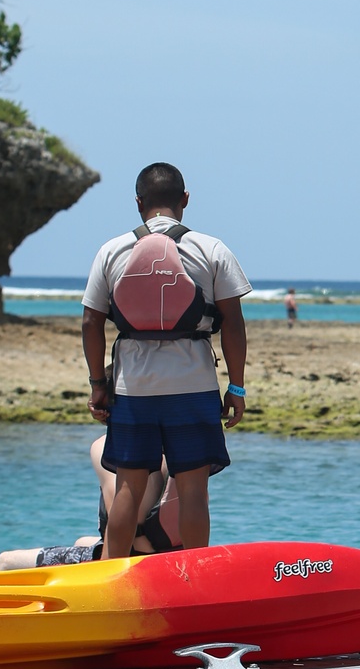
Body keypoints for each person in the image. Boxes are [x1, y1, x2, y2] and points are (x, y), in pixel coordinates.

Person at [82, 162, 250, 558]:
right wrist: (236, 387)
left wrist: (98, 385)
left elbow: (91, 322)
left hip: (132, 387)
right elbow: (233, 323)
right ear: (185, 200)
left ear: (138, 203)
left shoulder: (112, 250)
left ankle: (115, 579)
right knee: (193, 490)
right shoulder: (211, 248)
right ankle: (193, 580)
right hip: (193, 386)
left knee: (128, 486)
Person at [0, 436, 182, 570]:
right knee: (81, 542)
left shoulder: (107, 447)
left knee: (5, 562)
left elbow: (118, 521)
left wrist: (103, 580)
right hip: (173, 556)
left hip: (135, 560)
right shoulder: (181, 445)